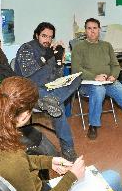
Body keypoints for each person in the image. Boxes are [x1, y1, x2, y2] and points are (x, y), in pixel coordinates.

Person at [14, 22, 81, 162]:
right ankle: (67, 148)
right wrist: (46, 56)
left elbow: (56, 77)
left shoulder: (51, 50)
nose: (47, 40)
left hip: (47, 91)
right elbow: (27, 73)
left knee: (77, 78)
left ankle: (51, 100)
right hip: (28, 89)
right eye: (44, 36)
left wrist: (58, 62)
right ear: (37, 35)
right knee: (59, 108)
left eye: (50, 37)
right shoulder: (26, 48)